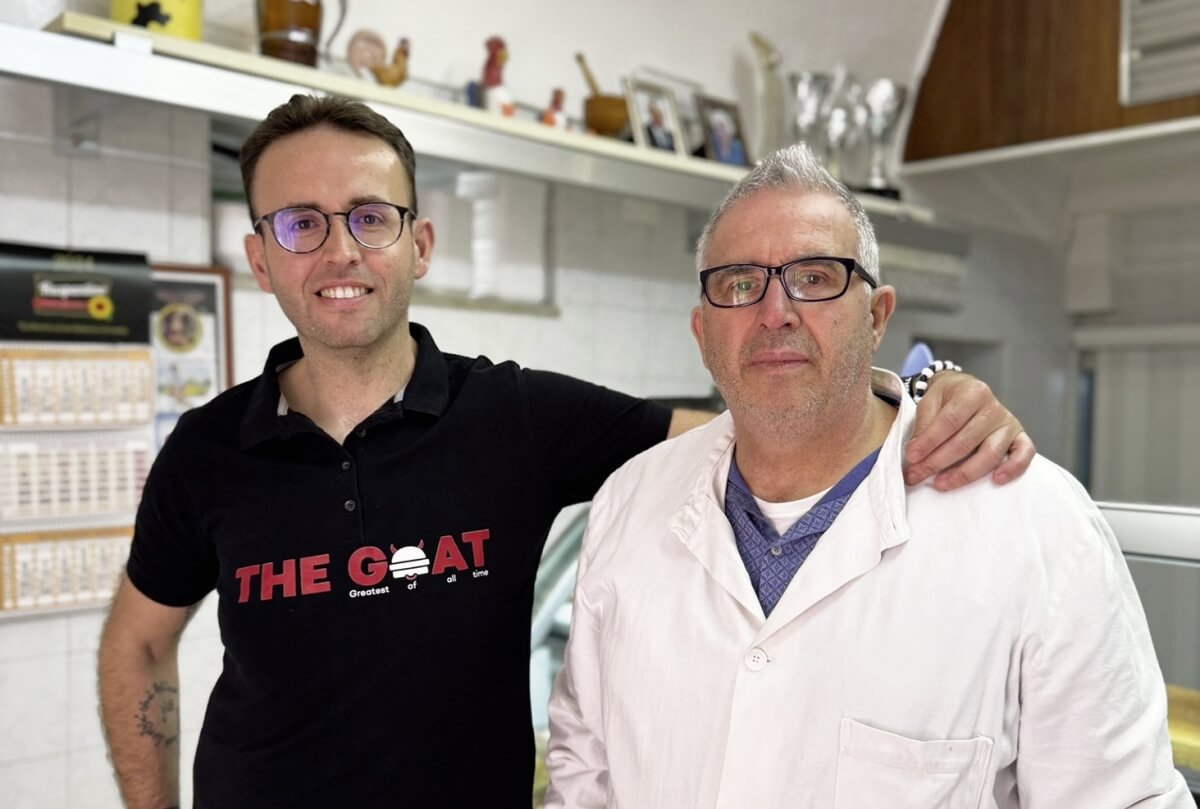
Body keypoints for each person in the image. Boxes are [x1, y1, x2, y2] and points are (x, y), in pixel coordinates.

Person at [96, 95, 1034, 809]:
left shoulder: (513, 415)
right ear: (261, 257)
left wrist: (918, 392)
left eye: (370, 217)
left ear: (420, 244)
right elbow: (138, 641)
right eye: (300, 223)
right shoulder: (207, 449)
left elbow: (754, 427)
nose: (339, 250)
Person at [545, 145, 1191, 808]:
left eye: (814, 276)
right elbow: (583, 775)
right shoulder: (629, 502)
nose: (775, 311)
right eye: (739, 283)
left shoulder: (1039, 527)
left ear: (877, 316)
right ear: (701, 332)